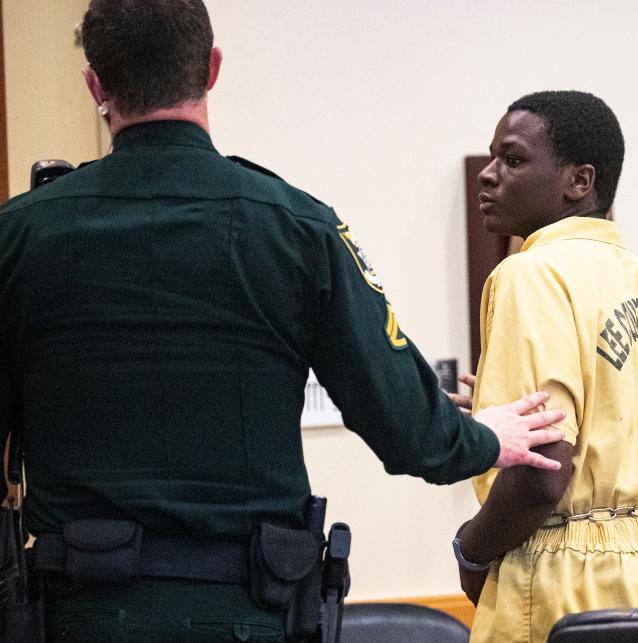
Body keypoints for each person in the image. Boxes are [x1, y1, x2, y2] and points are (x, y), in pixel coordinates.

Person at [0, 2, 566, 640]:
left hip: (78, 613)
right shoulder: (297, 228)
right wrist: (483, 436)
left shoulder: (20, 236)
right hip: (251, 612)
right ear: (211, 69)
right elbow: (411, 432)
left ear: (96, 85)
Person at [451, 91, 638, 643]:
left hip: (565, 594)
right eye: (491, 157)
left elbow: (540, 474)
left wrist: (471, 550)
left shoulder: (528, 274)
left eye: (513, 158)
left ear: (580, 181)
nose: (488, 175)